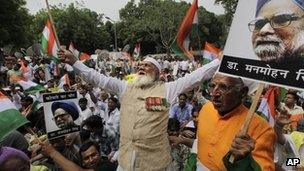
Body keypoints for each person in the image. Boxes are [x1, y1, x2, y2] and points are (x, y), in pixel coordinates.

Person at [58, 50, 219, 170]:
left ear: (157, 73)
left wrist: (218, 61)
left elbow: (195, 77)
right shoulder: (125, 87)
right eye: (140, 65)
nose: (141, 67)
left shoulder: (168, 89)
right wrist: (75, 62)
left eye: (147, 65)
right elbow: (98, 78)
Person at [171, 74, 276, 170]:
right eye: (212, 86)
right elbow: (199, 144)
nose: (215, 93)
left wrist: (244, 161)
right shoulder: (206, 109)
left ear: (243, 92)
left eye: (223, 87)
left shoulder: (262, 128)